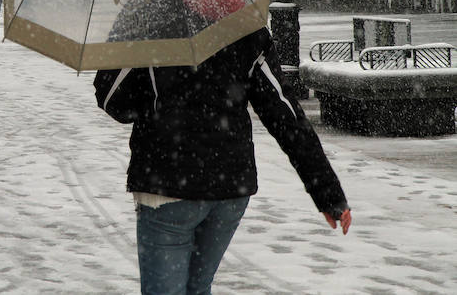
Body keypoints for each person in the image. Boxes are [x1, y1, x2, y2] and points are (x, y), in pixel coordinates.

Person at [94, 27, 351, 294]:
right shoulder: (244, 23)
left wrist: (156, 95)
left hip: (166, 186)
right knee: (199, 288)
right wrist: (327, 193)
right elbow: (285, 114)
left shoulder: (149, 22)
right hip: (229, 186)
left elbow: (113, 100)